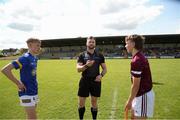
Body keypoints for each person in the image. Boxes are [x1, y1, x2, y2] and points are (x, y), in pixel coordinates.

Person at [1, 38, 41, 119]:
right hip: (26, 92)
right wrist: (18, 83)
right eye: (37, 45)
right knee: (33, 118)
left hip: (34, 90)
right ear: (29, 45)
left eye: (39, 45)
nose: (39, 47)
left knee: (31, 116)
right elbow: (5, 70)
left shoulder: (34, 58)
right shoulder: (24, 58)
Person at [124, 34, 155, 119]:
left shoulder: (137, 60)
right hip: (139, 95)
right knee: (133, 117)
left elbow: (136, 85)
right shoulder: (138, 57)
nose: (125, 45)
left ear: (133, 44)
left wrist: (129, 101)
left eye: (127, 43)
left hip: (143, 95)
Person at [76, 36, 107, 120]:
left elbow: (105, 69)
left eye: (93, 42)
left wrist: (101, 75)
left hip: (95, 81)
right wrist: (86, 65)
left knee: (94, 102)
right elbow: (78, 69)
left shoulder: (100, 55)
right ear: (86, 43)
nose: (91, 43)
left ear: (95, 44)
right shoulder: (82, 55)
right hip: (84, 81)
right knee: (81, 103)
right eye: (90, 42)